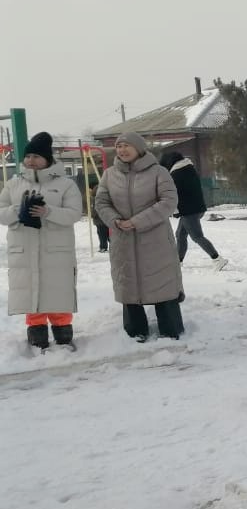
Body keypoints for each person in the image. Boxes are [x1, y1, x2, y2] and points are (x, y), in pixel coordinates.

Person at [94, 133, 184, 341]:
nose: (122, 150)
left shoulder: (159, 172)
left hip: (155, 240)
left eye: (127, 146)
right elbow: (101, 203)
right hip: (122, 239)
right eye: (119, 147)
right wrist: (115, 220)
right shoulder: (109, 175)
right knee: (128, 282)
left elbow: (169, 201)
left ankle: (170, 328)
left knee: (162, 283)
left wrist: (137, 221)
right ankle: (135, 330)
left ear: (139, 148)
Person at [0, 132, 83, 350]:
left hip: (56, 249)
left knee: (57, 291)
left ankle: (63, 333)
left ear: (47, 159)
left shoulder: (65, 184)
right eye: (28, 156)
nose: (31, 160)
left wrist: (48, 211)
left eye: (36, 156)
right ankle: (36, 335)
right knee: (31, 291)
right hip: (24, 248)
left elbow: (74, 213)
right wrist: (18, 210)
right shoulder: (13, 184)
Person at [160, 150, 227, 270]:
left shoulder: (177, 175)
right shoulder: (188, 169)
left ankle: (217, 259)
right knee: (180, 234)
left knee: (197, 236)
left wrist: (174, 211)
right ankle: (178, 261)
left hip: (189, 211)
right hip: (195, 208)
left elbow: (175, 195)